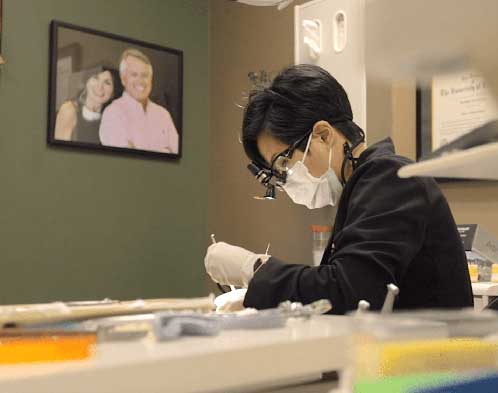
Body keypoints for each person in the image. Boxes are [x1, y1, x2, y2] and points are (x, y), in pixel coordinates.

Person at [204, 64, 473, 314]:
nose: (285, 179)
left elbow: (354, 292)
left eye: (284, 162)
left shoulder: (391, 177)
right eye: (277, 173)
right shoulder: (365, 186)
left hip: (434, 358)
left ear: (323, 134)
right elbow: (340, 285)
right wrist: (265, 295)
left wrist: (254, 268)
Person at [99, 48, 179, 154]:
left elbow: (177, 155)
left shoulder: (163, 114)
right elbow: (128, 160)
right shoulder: (112, 113)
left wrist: (137, 147)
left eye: (145, 75)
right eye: (134, 75)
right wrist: (164, 150)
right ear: (123, 79)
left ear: (151, 79)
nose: (140, 81)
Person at [54, 66, 120, 144]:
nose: (100, 87)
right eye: (95, 78)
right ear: (86, 82)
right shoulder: (69, 110)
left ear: (112, 93)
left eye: (107, 83)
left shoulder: (112, 119)